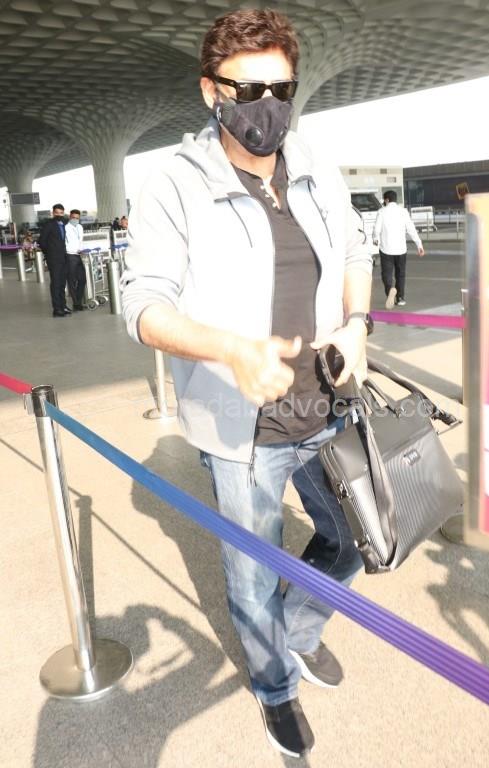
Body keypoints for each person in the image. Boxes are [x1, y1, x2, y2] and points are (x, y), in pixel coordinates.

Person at [121, 8, 372, 758]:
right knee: (254, 574)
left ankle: (297, 630)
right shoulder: (174, 183)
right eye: (249, 89)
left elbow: (354, 250)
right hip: (245, 429)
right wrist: (230, 351)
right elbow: (144, 305)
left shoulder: (314, 162)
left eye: (281, 89)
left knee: (351, 540)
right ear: (212, 92)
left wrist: (357, 324)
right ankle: (275, 687)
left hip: (327, 406)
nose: (268, 106)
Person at [373, 190, 425, 308]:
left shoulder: (381, 212)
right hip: (401, 249)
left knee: (386, 274)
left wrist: (375, 239)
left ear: (387, 200)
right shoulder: (403, 212)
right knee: (400, 274)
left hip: (386, 249)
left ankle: (390, 290)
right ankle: (400, 298)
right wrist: (419, 245)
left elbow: (376, 229)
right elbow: (411, 229)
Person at [38, 203, 71, 317]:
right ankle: (57, 309)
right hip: (54, 259)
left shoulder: (65, 224)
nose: (59, 215)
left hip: (64, 257)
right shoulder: (49, 225)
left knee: (62, 283)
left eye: (61, 213)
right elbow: (42, 241)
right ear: (53, 213)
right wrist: (49, 253)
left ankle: (63, 306)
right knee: (56, 283)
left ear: (63, 213)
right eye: (57, 213)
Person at [65, 209, 87, 310]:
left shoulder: (80, 227)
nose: (75, 220)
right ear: (70, 217)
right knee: (72, 280)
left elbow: (80, 241)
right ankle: (76, 303)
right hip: (70, 255)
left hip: (78, 255)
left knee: (82, 279)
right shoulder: (66, 228)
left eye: (77, 218)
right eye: (73, 218)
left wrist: (81, 249)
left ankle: (78, 302)